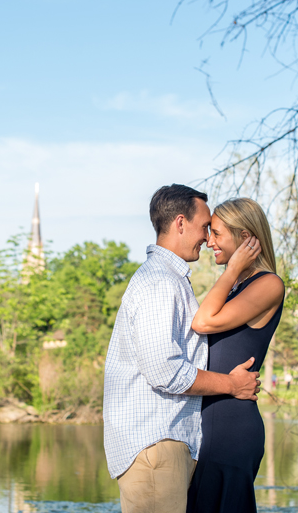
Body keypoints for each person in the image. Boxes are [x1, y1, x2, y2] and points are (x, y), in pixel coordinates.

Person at [103, 184, 262, 513]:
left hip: (163, 447)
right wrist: (232, 385)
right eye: (204, 226)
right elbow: (166, 371)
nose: (207, 237)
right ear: (179, 223)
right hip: (156, 447)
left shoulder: (168, 280)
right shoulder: (160, 282)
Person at [186, 197, 285, 513]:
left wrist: (231, 270)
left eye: (216, 233)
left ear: (245, 238)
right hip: (209, 425)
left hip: (231, 429)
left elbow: (202, 322)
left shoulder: (268, 284)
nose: (208, 241)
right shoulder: (234, 288)